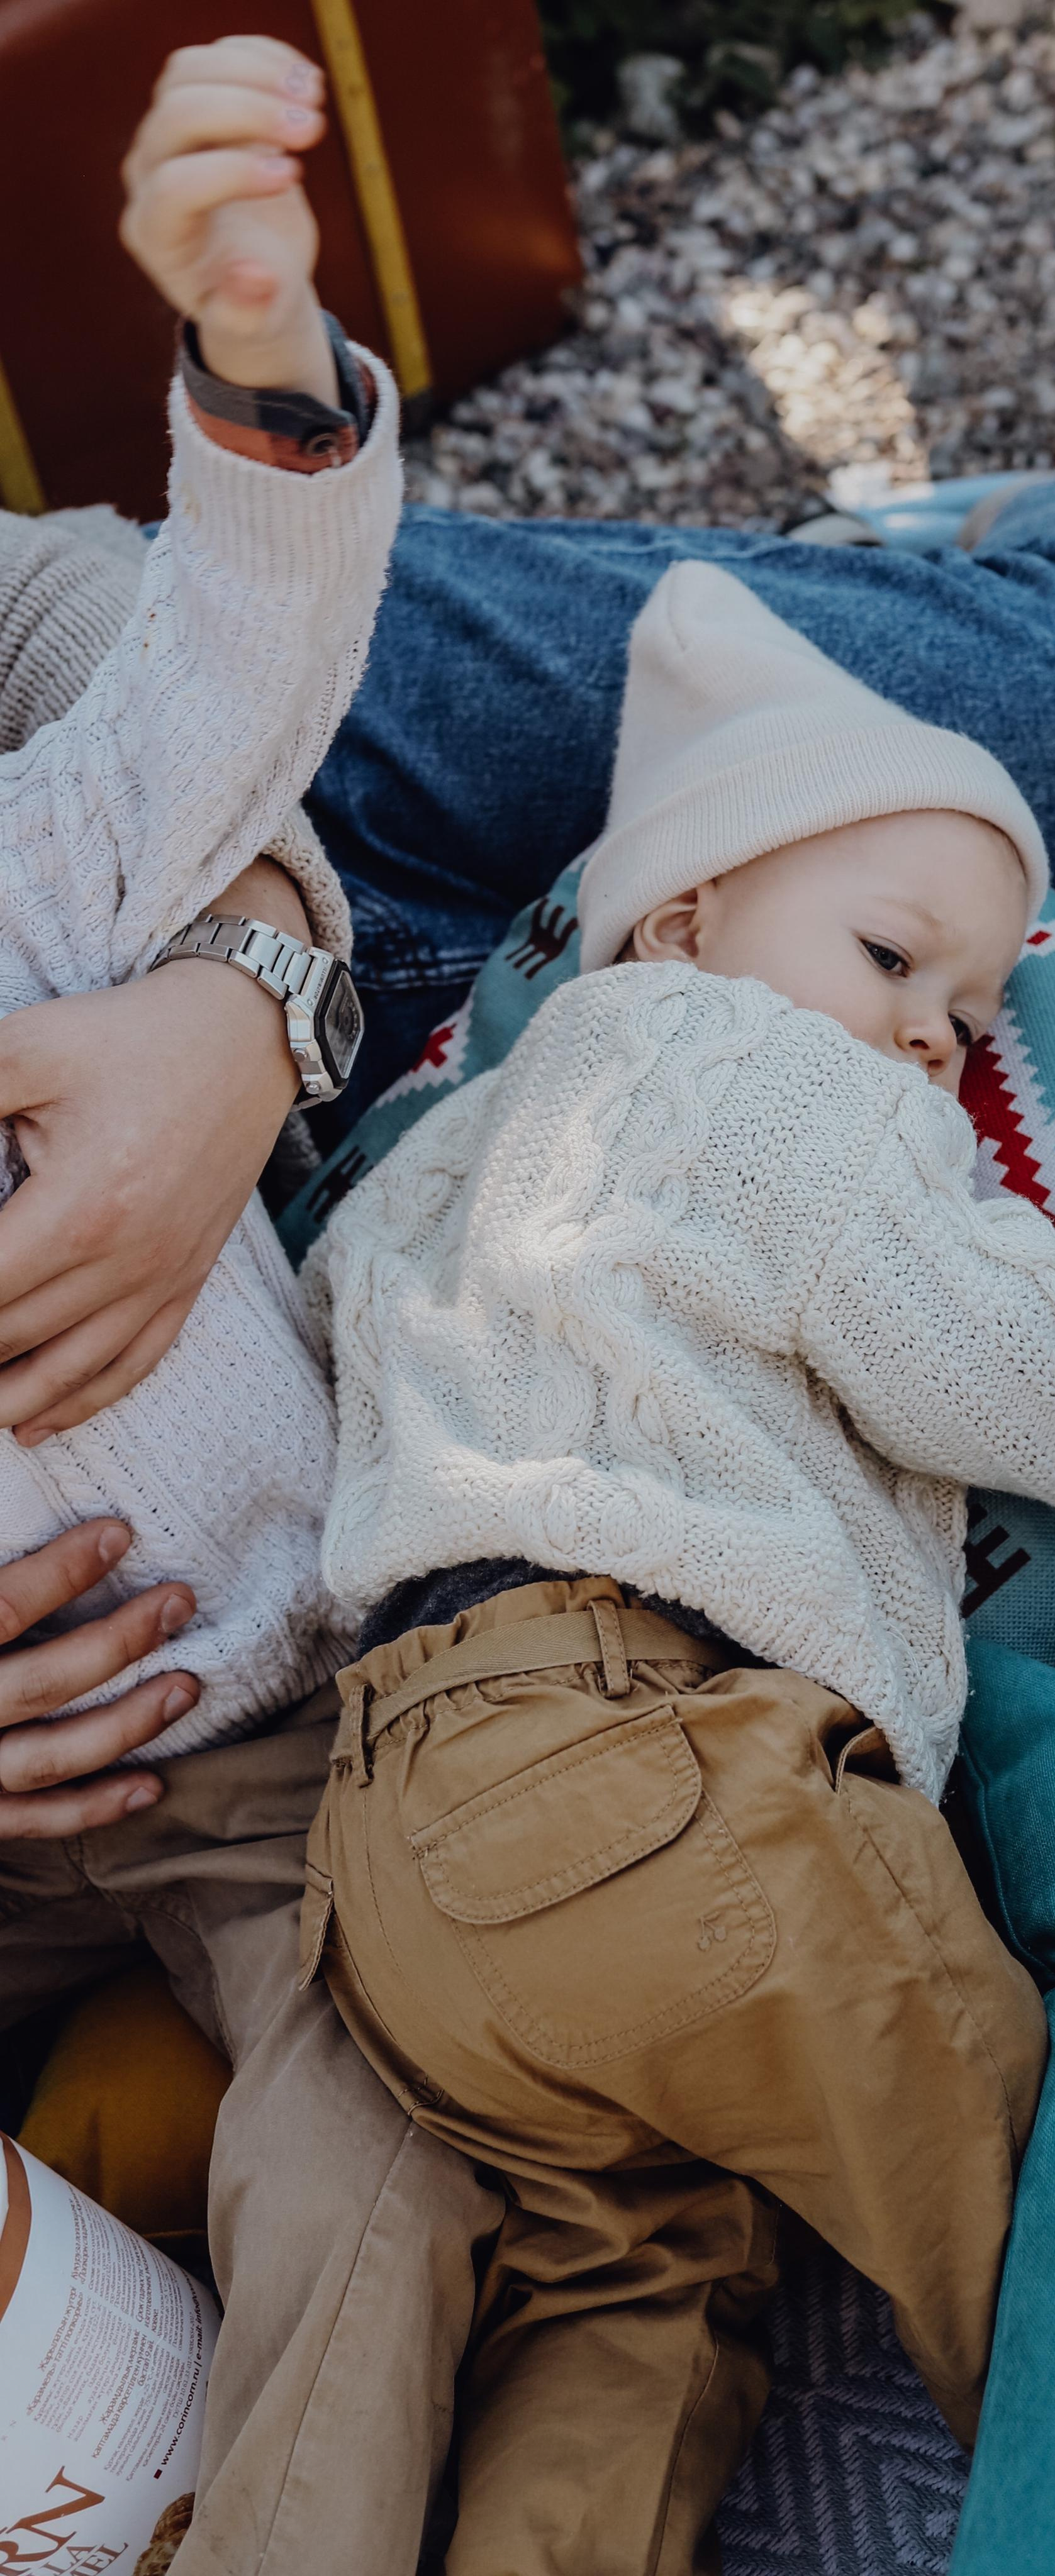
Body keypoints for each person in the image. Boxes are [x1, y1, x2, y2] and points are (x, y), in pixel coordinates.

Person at [299, 559, 1055, 2572]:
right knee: (1047, 2204)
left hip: (404, 1866)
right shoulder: (747, 1067)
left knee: (631, 2297)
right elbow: (988, 1373)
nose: (927, 1044)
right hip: (661, 1770)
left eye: (970, 1020)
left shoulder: (444, 1152)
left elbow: (331, 1327)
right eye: (896, 959)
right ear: (691, 911)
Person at [0, 38, 506, 2574]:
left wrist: (255, 351)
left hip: (259, 1712)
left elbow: (231, 653)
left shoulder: (40, 852)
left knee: (381, 2145)